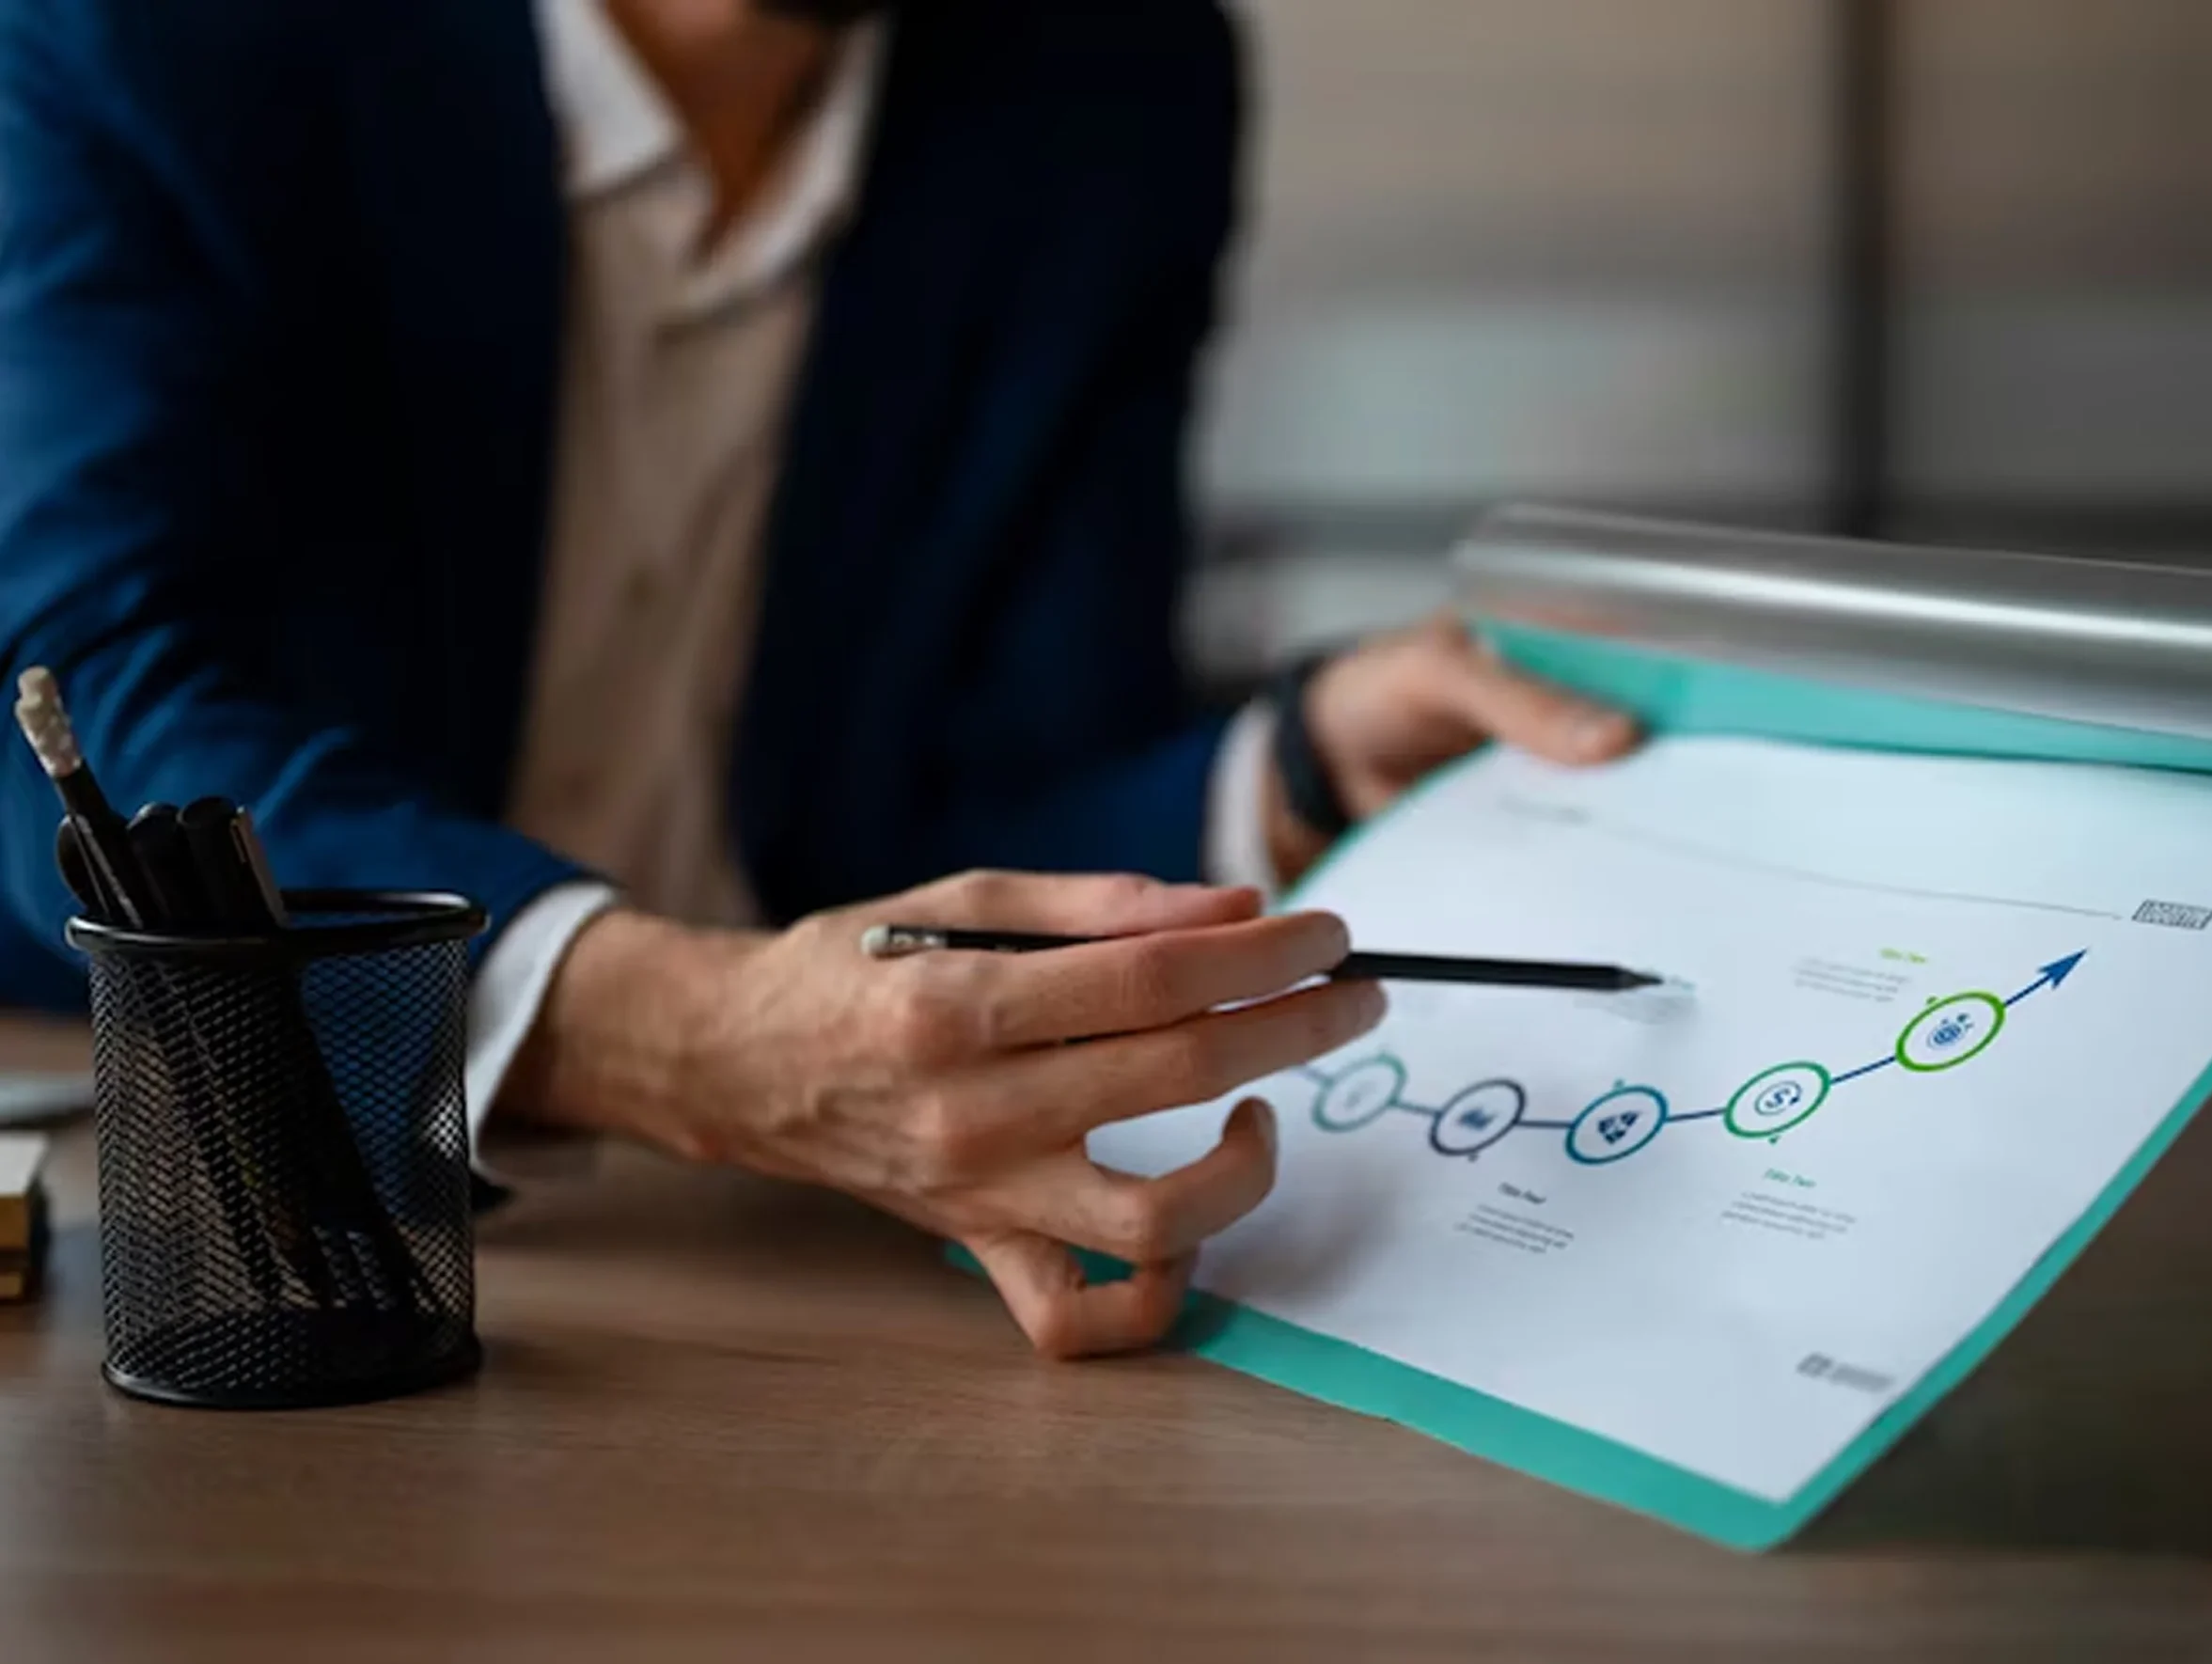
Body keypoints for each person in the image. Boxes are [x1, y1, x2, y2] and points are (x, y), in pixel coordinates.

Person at [0, 0, 1632, 1355]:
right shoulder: (155, 35)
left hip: (818, 1258)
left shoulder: (1112, 79)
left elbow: (997, 781)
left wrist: (1278, 777)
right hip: (207, 1218)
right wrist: (680, 1030)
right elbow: (82, 692)